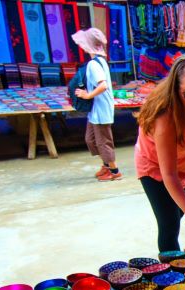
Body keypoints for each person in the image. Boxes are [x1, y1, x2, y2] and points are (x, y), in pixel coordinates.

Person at [134, 54, 185, 252]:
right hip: (154, 168)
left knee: (176, 213)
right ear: (175, 89)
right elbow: (168, 175)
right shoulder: (165, 119)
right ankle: (170, 277)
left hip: (183, 164)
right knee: (170, 225)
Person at [71, 28, 119, 181]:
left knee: (103, 142)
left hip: (101, 109)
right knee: (91, 139)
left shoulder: (94, 64)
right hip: (96, 110)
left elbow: (103, 85)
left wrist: (87, 95)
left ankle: (114, 171)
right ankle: (106, 165)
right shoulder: (99, 62)